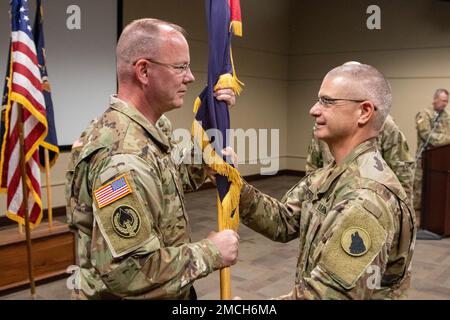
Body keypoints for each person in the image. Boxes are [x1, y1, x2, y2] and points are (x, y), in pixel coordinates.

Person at [65, 18, 239, 300]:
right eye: (180, 67)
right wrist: (212, 252)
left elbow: (165, 183)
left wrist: (209, 152)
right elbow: (129, 273)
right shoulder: (122, 159)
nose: (190, 77)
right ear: (144, 71)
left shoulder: (150, 129)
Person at [237, 63, 416, 299]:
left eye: (327, 102)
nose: (313, 110)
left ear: (364, 112)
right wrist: (234, 185)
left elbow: (328, 296)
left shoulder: (367, 200)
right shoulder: (333, 173)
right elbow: (284, 221)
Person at [306, 114, 415, 203]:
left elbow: (403, 174)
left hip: (371, 205)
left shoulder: (383, 124)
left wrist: (403, 217)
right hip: (329, 203)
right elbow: (313, 170)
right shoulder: (323, 125)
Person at [413, 89, 450, 213]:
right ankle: (417, 218)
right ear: (435, 99)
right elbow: (428, 136)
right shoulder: (424, 115)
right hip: (425, 159)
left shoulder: (447, 116)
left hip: (443, 162)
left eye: (447, 101)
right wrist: (448, 140)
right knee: (420, 191)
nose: (445, 104)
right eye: (443, 101)